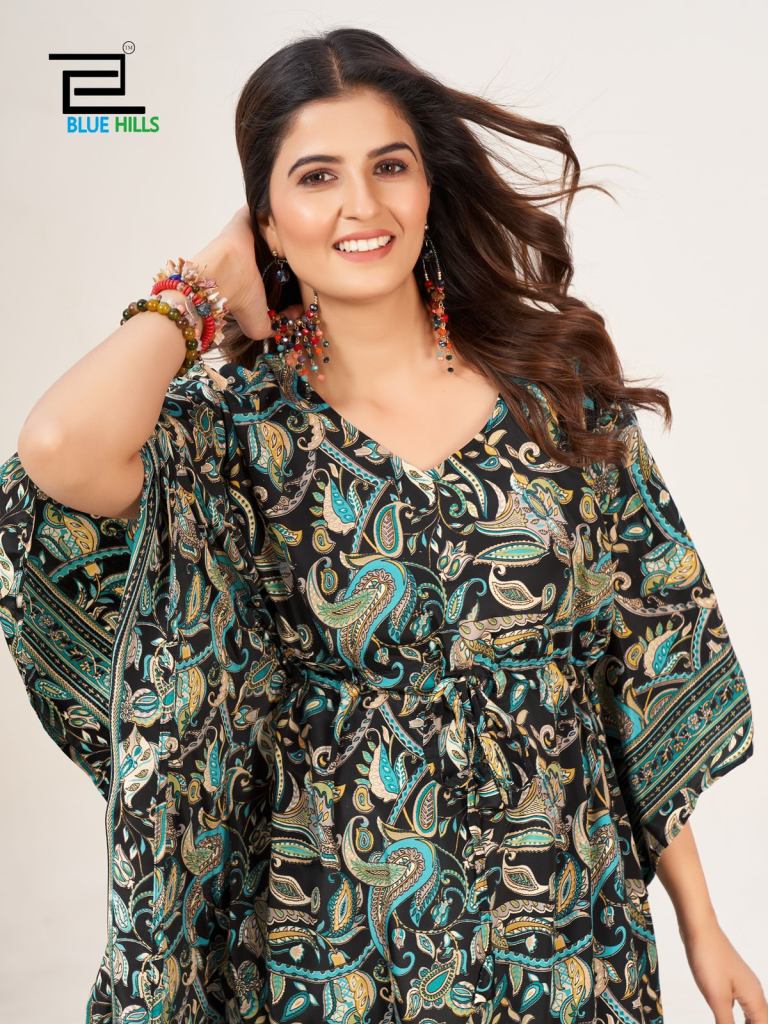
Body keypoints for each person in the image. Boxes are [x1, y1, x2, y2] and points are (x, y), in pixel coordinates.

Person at [0, 26, 763, 1024]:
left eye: (389, 166)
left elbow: (635, 665)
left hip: (566, 931)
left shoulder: (555, 396)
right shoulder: (232, 434)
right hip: (335, 943)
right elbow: (57, 450)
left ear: (428, 188)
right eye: (316, 177)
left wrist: (703, 924)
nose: (361, 205)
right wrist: (199, 286)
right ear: (268, 225)